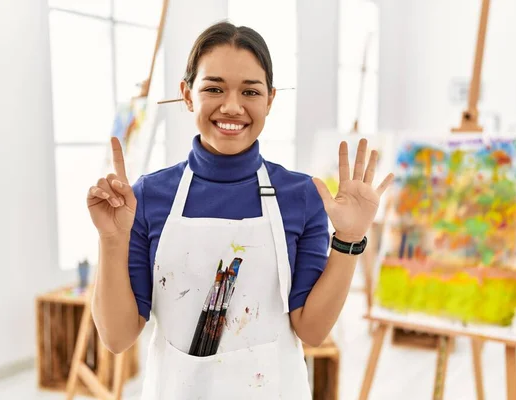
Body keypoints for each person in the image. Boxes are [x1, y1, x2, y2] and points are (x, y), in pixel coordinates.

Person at [86, 21, 393, 400]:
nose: (232, 106)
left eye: (250, 91)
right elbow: (117, 338)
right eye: (214, 88)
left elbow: (312, 332)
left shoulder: (301, 195)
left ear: (270, 99)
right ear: (187, 95)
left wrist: (349, 239)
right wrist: (111, 240)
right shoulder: (148, 196)